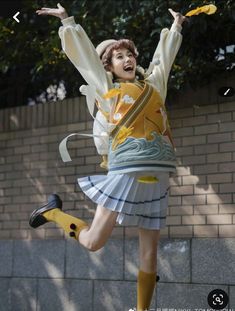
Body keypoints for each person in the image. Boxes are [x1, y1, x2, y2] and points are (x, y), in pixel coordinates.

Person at [29, 3, 186, 310]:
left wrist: (177, 27)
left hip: (157, 174)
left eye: (130, 55)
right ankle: (52, 213)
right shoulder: (106, 91)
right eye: (119, 56)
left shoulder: (153, 87)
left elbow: (163, 61)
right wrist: (67, 20)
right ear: (109, 67)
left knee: (150, 254)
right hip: (125, 172)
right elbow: (85, 58)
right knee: (92, 242)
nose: (127, 59)